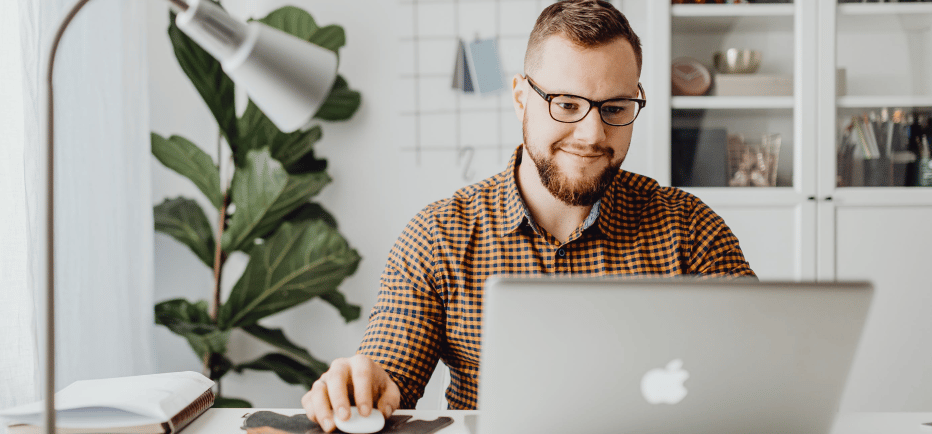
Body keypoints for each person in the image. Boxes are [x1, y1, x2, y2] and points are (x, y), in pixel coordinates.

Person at [301, 0, 756, 431]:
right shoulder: (439, 234)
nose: (593, 134)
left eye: (615, 108)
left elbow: (761, 367)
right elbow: (389, 371)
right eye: (567, 104)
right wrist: (363, 386)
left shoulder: (690, 228)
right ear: (521, 97)